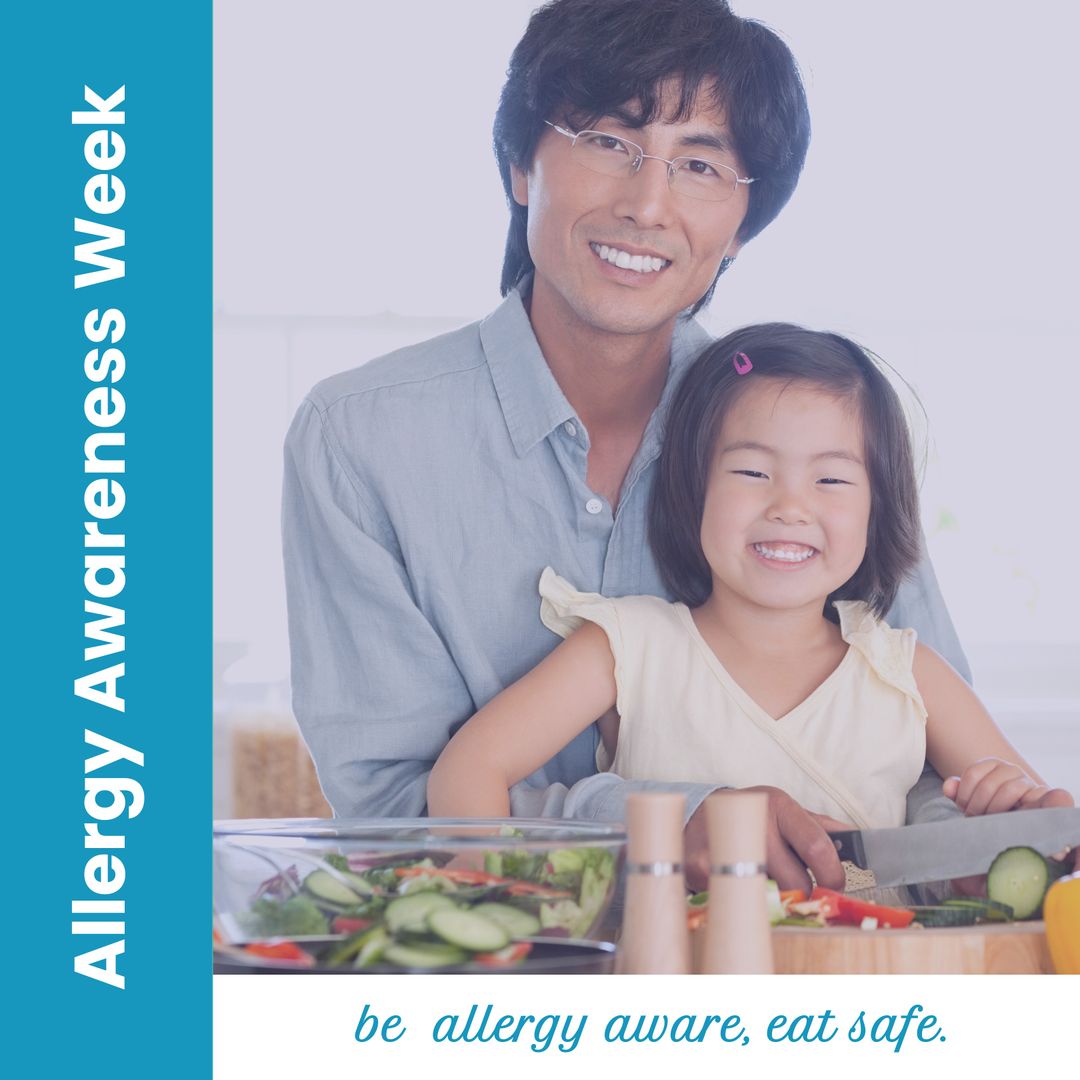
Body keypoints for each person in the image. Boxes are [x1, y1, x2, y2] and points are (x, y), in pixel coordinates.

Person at [282, 0, 969, 892]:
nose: (649, 205)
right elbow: (394, 809)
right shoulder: (357, 439)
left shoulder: (813, 432)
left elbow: (933, 761)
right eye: (610, 141)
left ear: (743, 221)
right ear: (521, 163)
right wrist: (670, 819)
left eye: (700, 163)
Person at [427, 325, 1074, 859]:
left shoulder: (910, 673)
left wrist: (1002, 803)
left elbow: (1048, 833)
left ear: (881, 509)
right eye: (753, 471)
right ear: (694, 489)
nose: (790, 506)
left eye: (832, 481)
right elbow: (468, 769)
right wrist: (496, 907)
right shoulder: (628, 646)